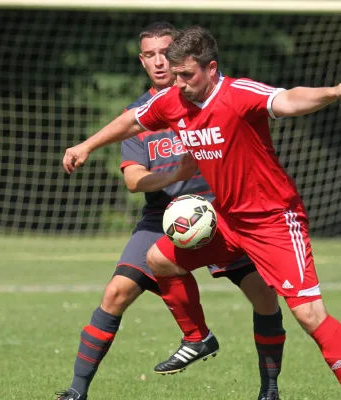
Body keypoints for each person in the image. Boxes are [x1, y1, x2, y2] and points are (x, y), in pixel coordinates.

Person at [62, 25, 341, 400]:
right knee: (159, 259)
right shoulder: (173, 100)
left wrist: (335, 91)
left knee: (310, 316)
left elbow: (290, 100)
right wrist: (87, 145)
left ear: (211, 69)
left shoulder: (238, 94)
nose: (179, 83)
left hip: (274, 220)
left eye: (187, 75)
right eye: (174, 75)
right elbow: (131, 121)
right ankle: (197, 338)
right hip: (226, 220)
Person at [57, 23, 285, 400]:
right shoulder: (134, 117)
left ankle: (270, 391)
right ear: (142, 61)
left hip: (222, 210)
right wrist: (175, 174)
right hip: (163, 215)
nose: (159, 61)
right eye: (150, 55)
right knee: (116, 293)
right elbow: (133, 180)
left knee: (264, 296)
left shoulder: (212, 99)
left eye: (166, 51)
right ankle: (76, 391)